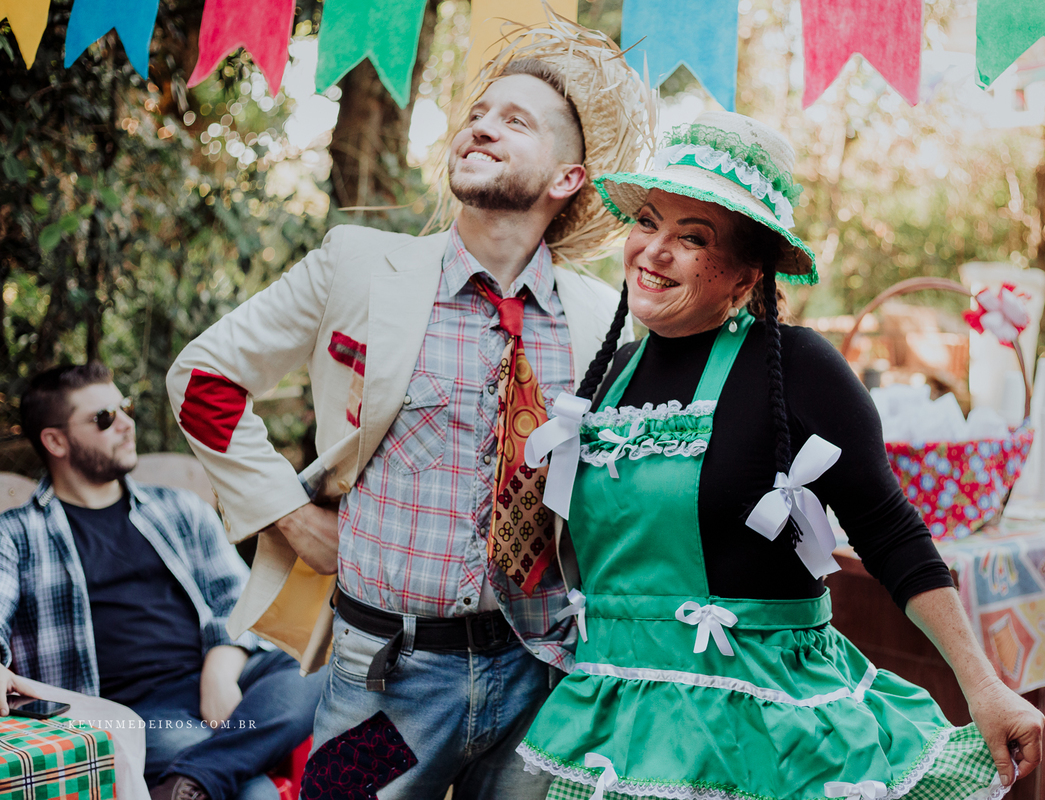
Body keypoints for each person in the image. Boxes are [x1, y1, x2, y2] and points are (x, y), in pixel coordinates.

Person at [165, 16, 651, 800]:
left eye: (514, 121)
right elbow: (203, 379)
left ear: (568, 179)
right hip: (379, 684)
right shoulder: (359, 266)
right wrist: (288, 514)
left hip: (545, 681)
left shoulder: (605, 319)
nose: (480, 126)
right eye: (477, 115)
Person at [516, 111, 1045, 800]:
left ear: (744, 274)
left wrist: (984, 685)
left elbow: (890, 532)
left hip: (767, 738)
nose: (654, 251)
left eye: (692, 237)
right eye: (647, 222)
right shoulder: (608, 376)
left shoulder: (798, 367)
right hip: (617, 737)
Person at [0, 363, 322, 800]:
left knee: (318, 666)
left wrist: (219, 671)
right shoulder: (17, 535)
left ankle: (192, 780)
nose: (128, 424)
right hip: (128, 711)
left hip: (217, 679)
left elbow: (239, 598)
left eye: (124, 408)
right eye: (104, 418)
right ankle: (205, 775)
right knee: (255, 792)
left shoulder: (179, 509)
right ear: (55, 440)